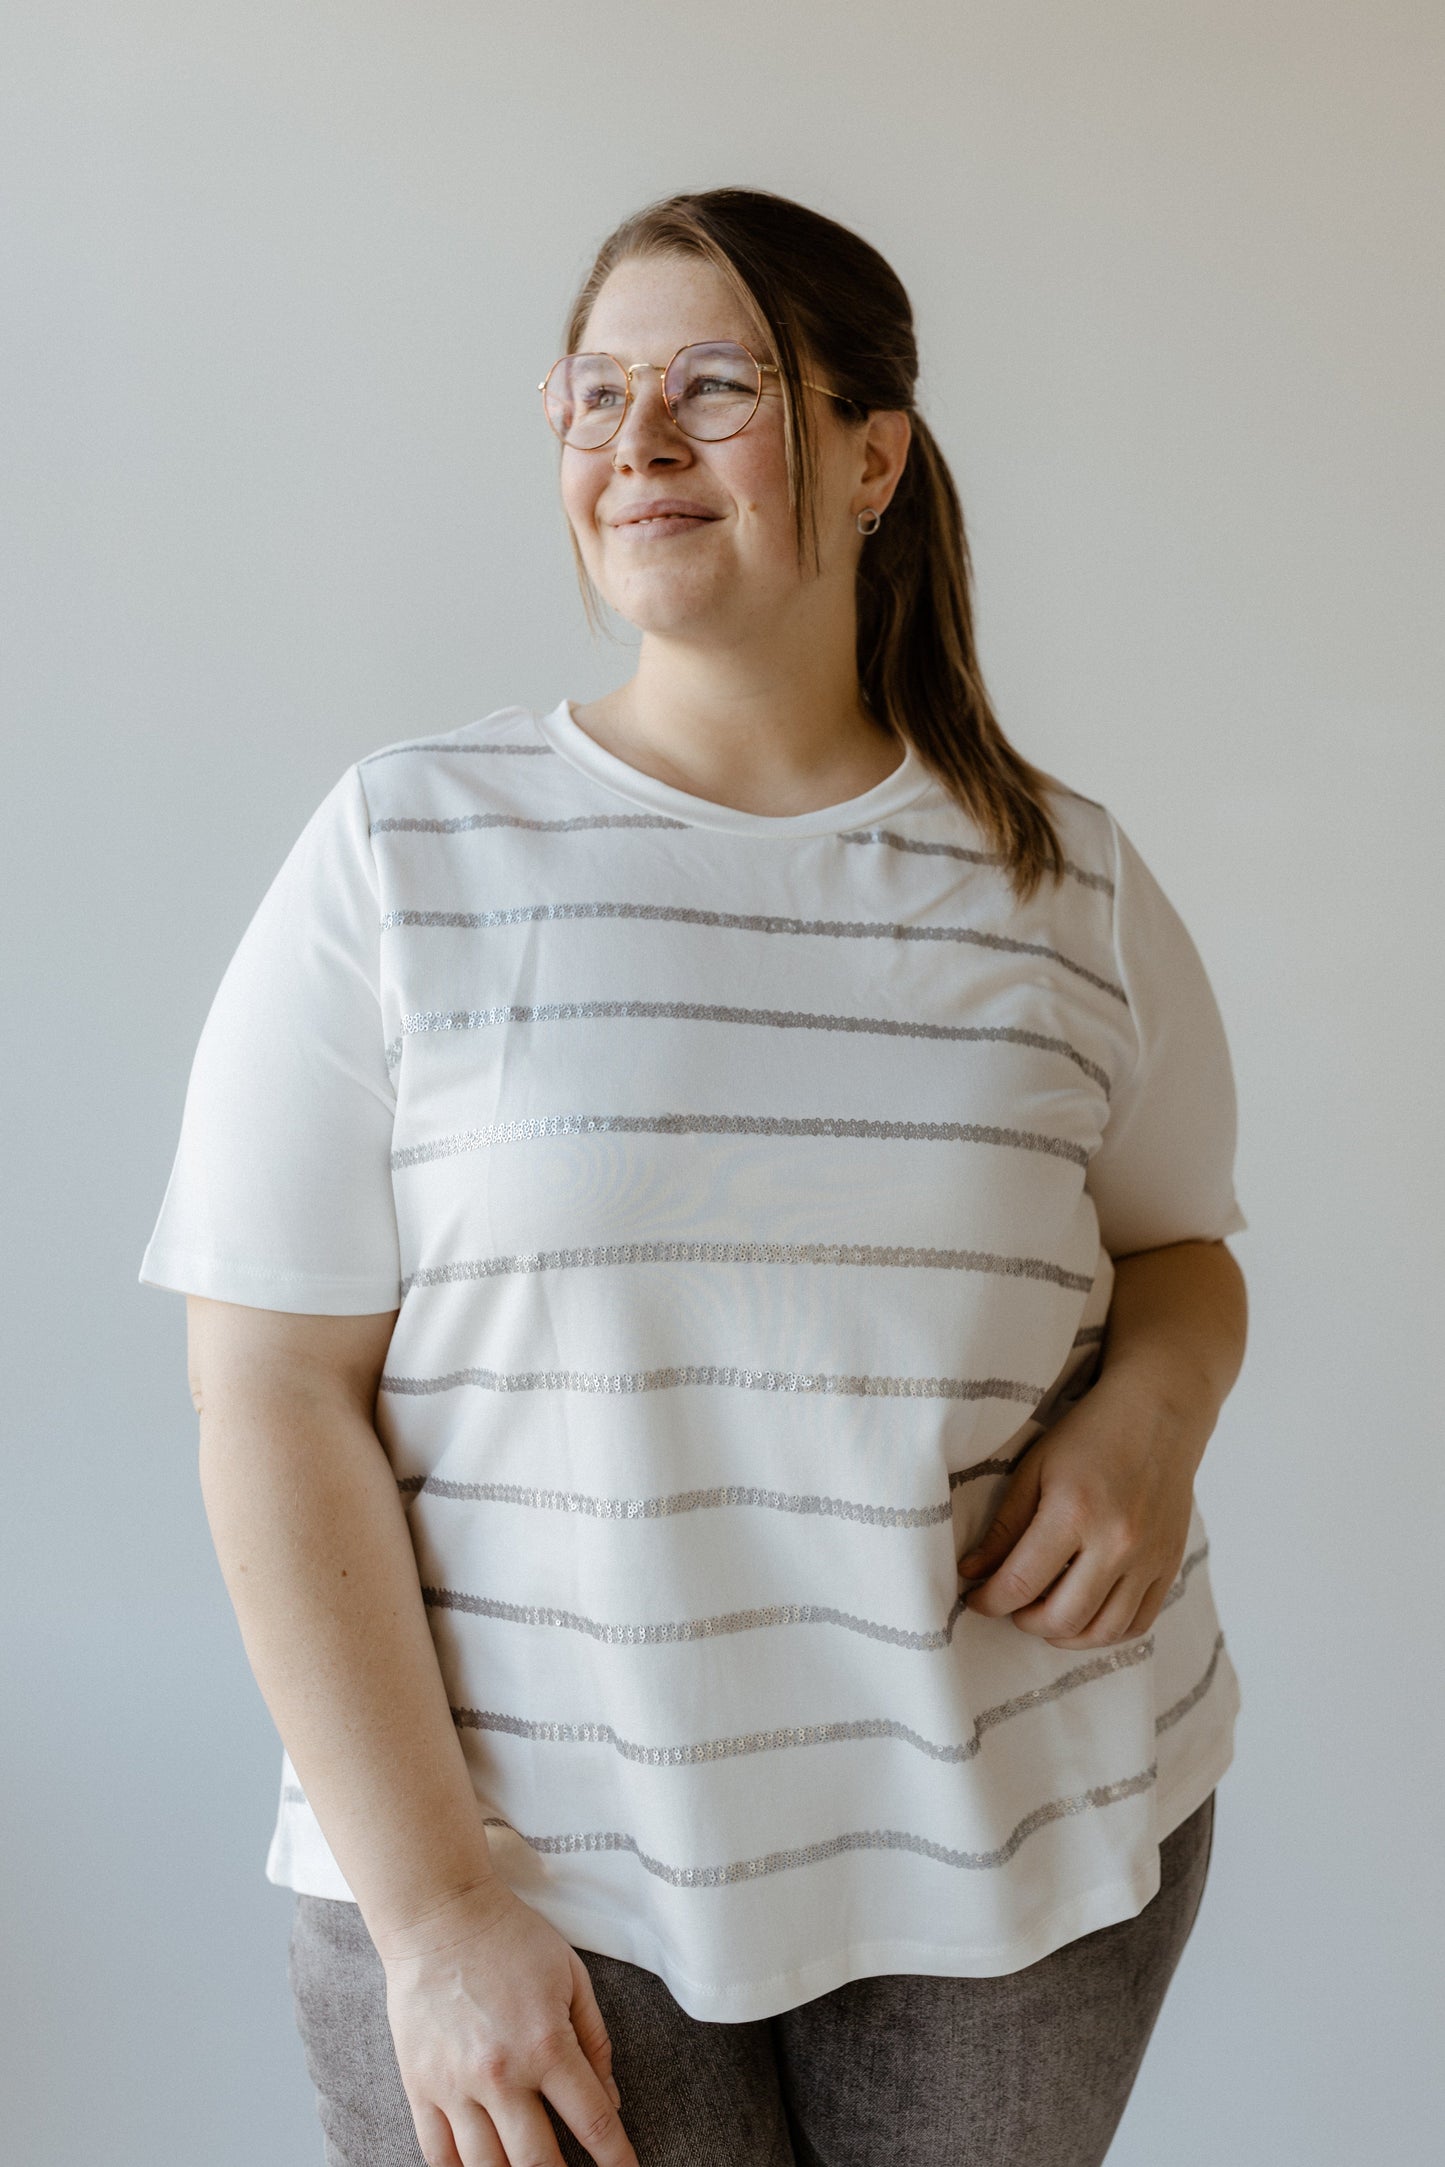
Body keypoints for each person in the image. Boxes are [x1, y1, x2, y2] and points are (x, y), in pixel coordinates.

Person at [140, 186, 1249, 2167]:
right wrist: (433, 1915)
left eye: (714, 384)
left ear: (874, 450)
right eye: (594, 394)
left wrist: (1156, 1416)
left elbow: (1179, 1251)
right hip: (532, 1875)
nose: (636, 444)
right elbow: (268, 1390)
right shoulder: (406, 850)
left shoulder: (1058, 878)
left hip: (1018, 1848)